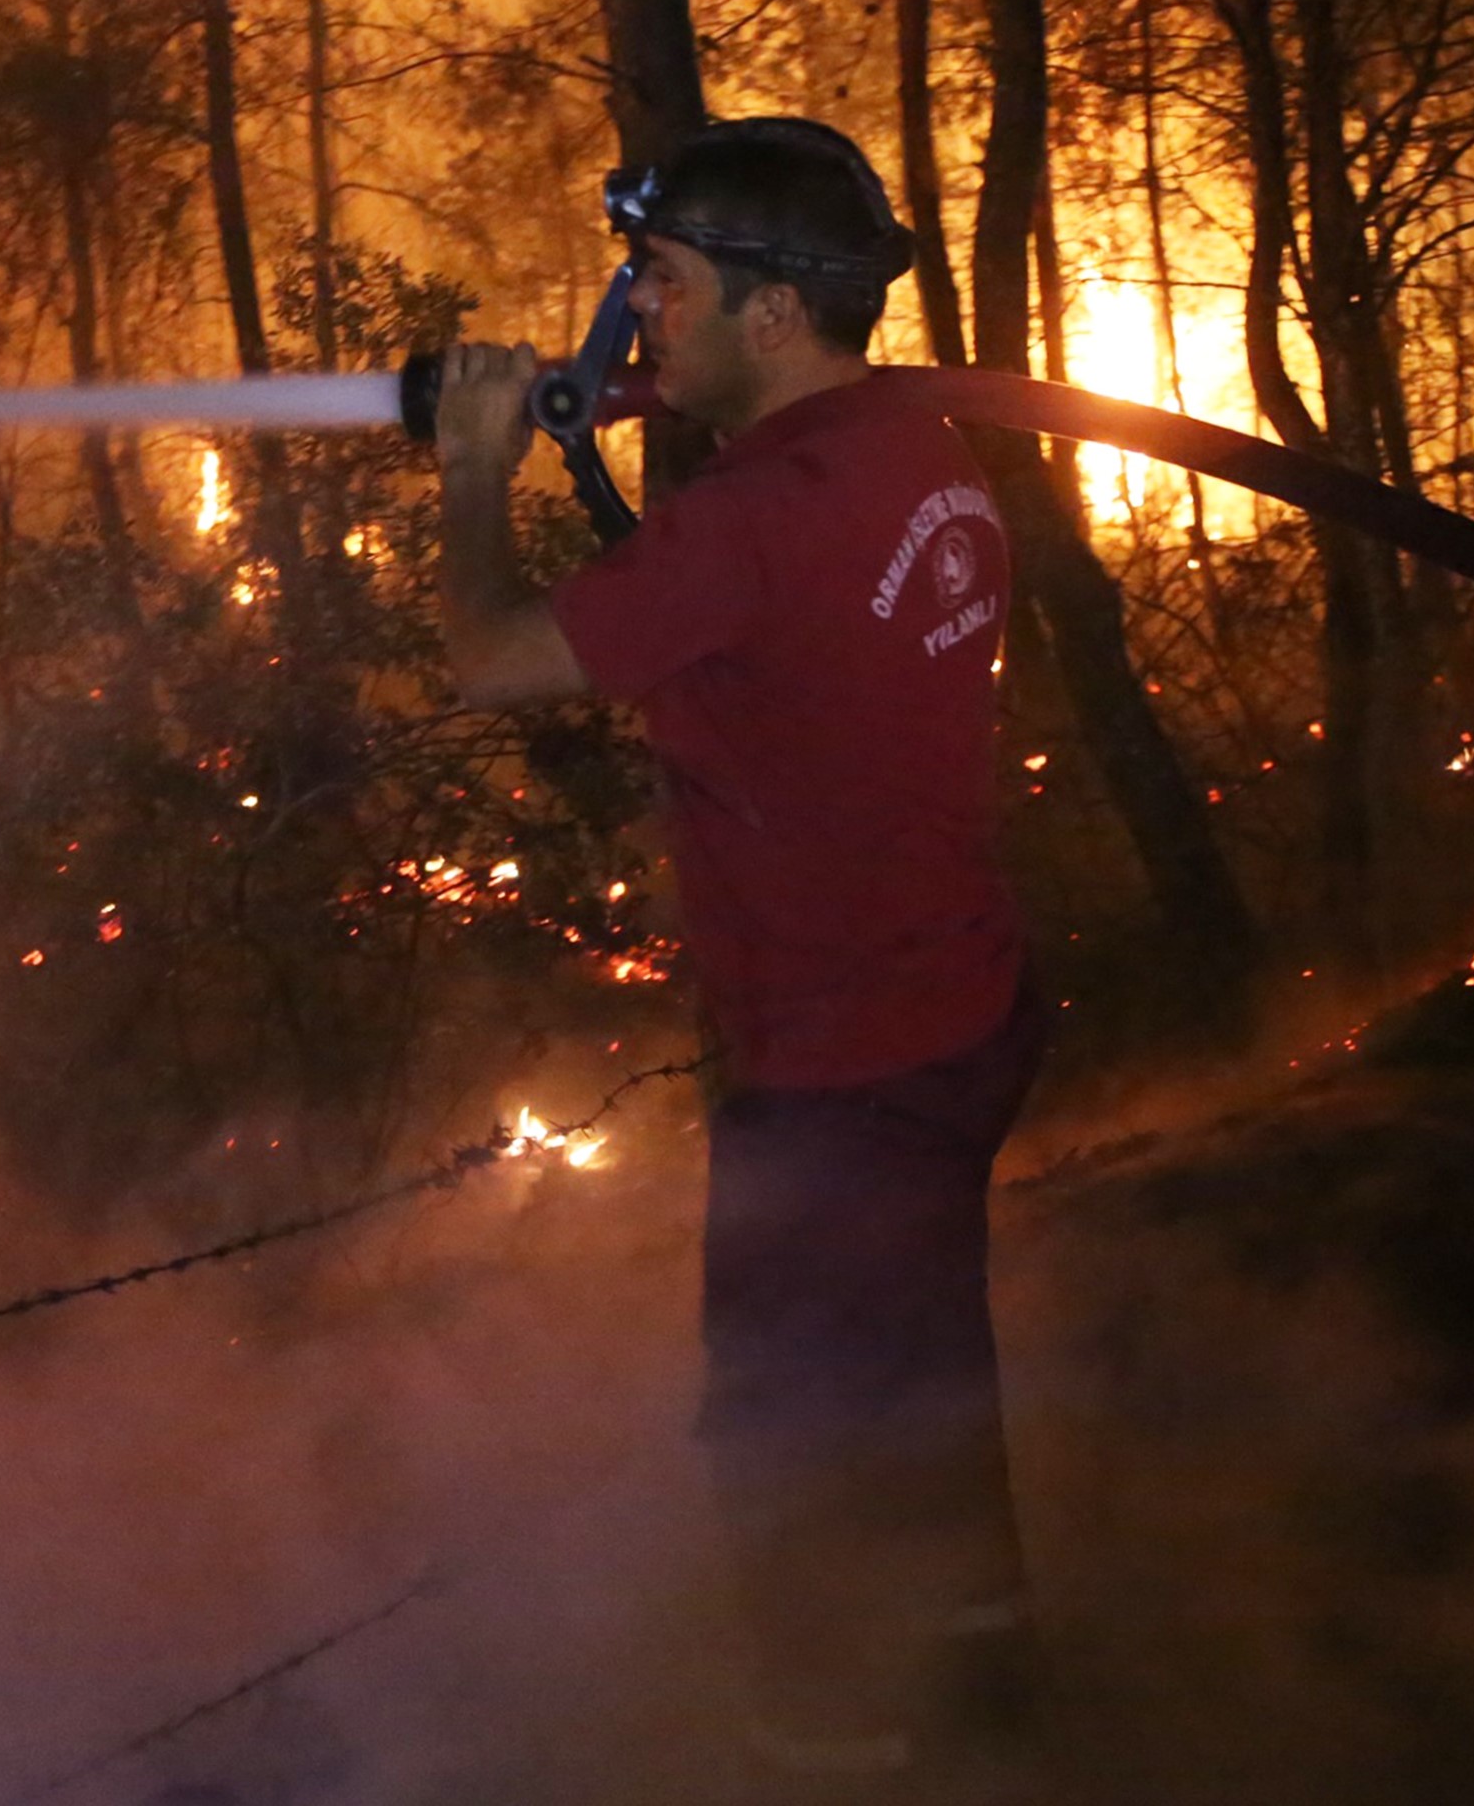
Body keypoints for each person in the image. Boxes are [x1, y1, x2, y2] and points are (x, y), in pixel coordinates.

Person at [433, 117, 1047, 1802]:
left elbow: (490, 661)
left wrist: (476, 467)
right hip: (960, 1006)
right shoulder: (908, 446)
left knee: (794, 1442)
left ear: (772, 315)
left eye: (663, 282)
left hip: (837, 1066)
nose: (634, 313)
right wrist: (610, 407)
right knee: (920, 1390)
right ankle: (988, 1714)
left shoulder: (753, 522)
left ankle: (837, 1748)